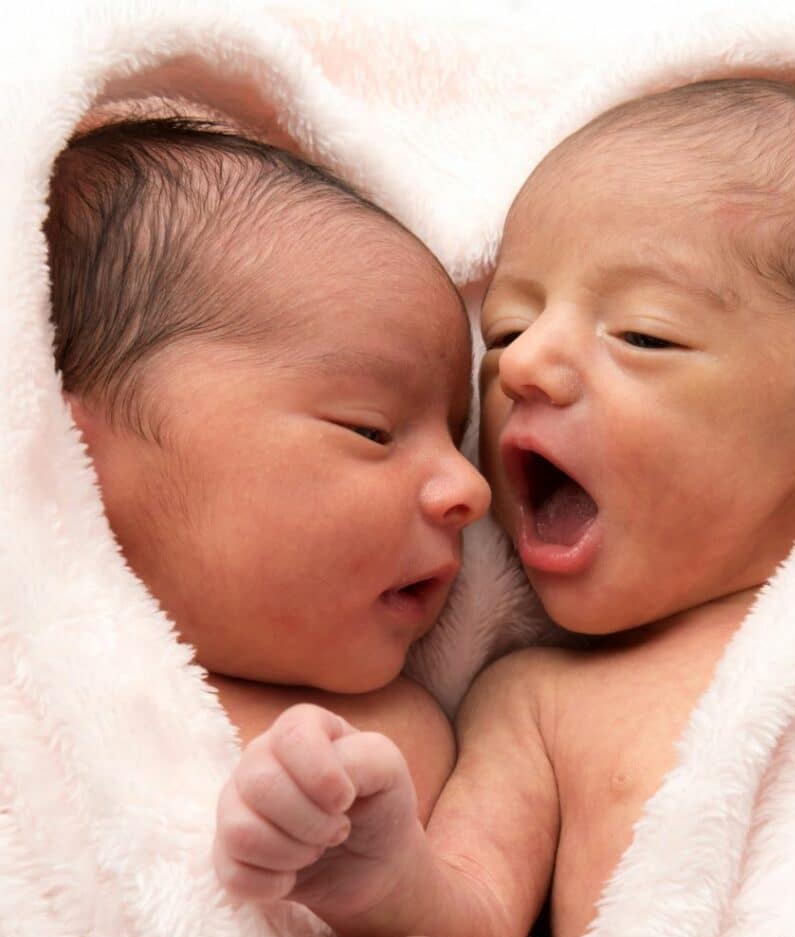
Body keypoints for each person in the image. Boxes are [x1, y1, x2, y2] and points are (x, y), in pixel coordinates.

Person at [213, 79, 795, 937]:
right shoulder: (538, 703)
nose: (524, 363)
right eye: (505, 329)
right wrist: (375, 867)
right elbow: (482, 922)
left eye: (643, 334)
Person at [47, 116, 491, 830]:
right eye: (371, 431)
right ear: (73, 454)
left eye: (456, 436)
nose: (472, 488)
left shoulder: (376, 750)